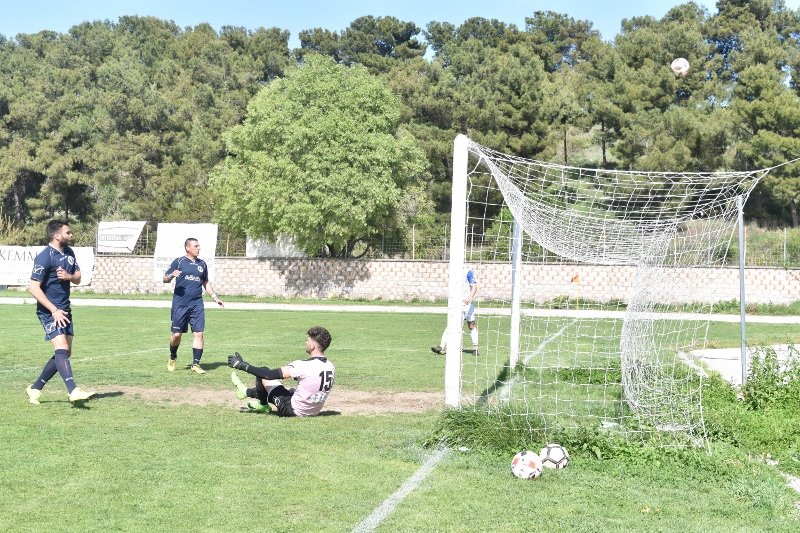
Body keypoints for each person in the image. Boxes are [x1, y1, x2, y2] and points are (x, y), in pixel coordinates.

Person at [26, 220, 95, 405]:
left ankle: (35, 388)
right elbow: (33, 288)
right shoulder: (44, 257)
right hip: (49, 311)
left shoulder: (70, 253)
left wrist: (69, 276)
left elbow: (79, 278)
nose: (71, 235)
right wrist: (54, 309)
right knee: (62, 349)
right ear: (57, 236)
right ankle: (73, 390)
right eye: (68, 233)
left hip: (65, 309)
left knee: (64, 352)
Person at [227, 326, 335, 417]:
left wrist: (242, 365)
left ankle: (261, 404)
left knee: (263, 372)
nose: (306, 342)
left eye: (307, 340)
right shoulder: (330, 366)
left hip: (293, 410)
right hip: (314, 410)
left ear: (312, 346)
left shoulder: (303, 365)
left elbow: (268, 375)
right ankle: (246, 392)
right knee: (290, 390)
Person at [163, 237, 224, 374]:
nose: (199, 248)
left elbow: (205, 282)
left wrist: (215, 297)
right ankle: (173, 356)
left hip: (197, 304)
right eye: (196, 246)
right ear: (188, 248)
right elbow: (165, 279)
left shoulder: (202, 264)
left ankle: (195, 364)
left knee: (199, 333)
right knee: (177, 334)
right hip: (180, 304)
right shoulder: (178, 262)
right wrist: (172, 275)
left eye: (199, 246)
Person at [431, 268, 479, 356]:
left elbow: (474, 287)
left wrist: (469, 297)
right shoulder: (453, 270)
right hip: (457, 304)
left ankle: (475, 348)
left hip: (468, 304)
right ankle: (441, 347)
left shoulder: (468, 271)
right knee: (451, 324)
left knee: (471, 325)